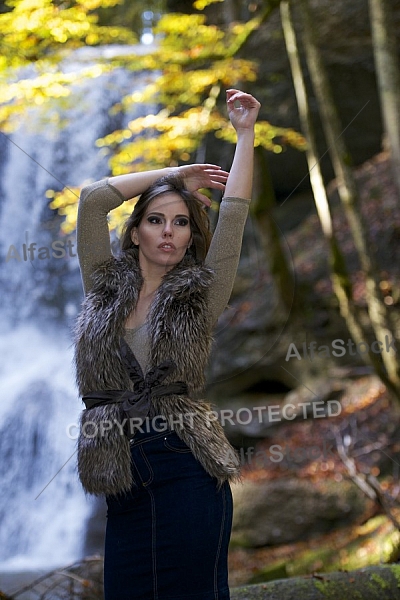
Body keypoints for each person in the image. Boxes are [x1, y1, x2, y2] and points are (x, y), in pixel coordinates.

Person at [74, 89, 261, 600]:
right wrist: (174, 177)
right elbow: (93, 200)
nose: (168, 232)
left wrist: (244, 133)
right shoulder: (103, 284)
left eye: (181, 222)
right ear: (135, 232)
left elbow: (236, 212)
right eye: (155, 219)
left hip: (185, 465)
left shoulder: (203, 292)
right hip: (120, 475)